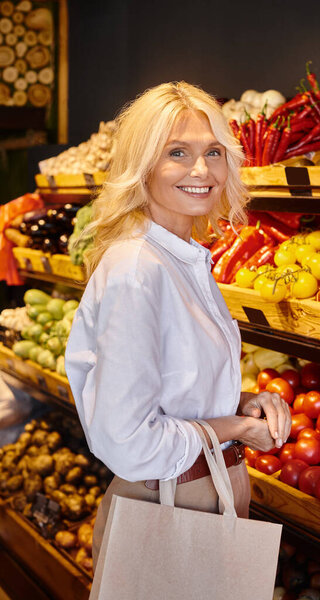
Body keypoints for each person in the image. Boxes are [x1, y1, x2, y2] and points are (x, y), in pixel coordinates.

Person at [64, 81, 291, 569]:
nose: (201, 170)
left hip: (205, 495)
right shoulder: (136, 269)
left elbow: (173, 388)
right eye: (177, 153)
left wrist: (244, 403)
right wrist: (234, 427)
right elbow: (128, 441)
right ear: (142, 166)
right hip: (166, 502)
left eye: (213, 151)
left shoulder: (182, 259)